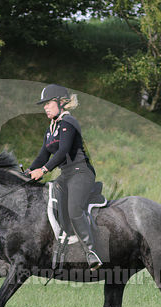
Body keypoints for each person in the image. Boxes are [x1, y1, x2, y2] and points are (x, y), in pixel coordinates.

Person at [28, 84, 103, 271]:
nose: (45, 107)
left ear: (61, 103)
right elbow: (42, 156)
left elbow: (62, 152)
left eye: (48, 103)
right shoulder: (50, 129)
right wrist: (27, 173)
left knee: (74, 208)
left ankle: (91, 252)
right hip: (66, 176)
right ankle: (61, 247)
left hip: (81, 173)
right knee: (51, 204)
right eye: (43, 104)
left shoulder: (69, 122)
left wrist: (43, 171)